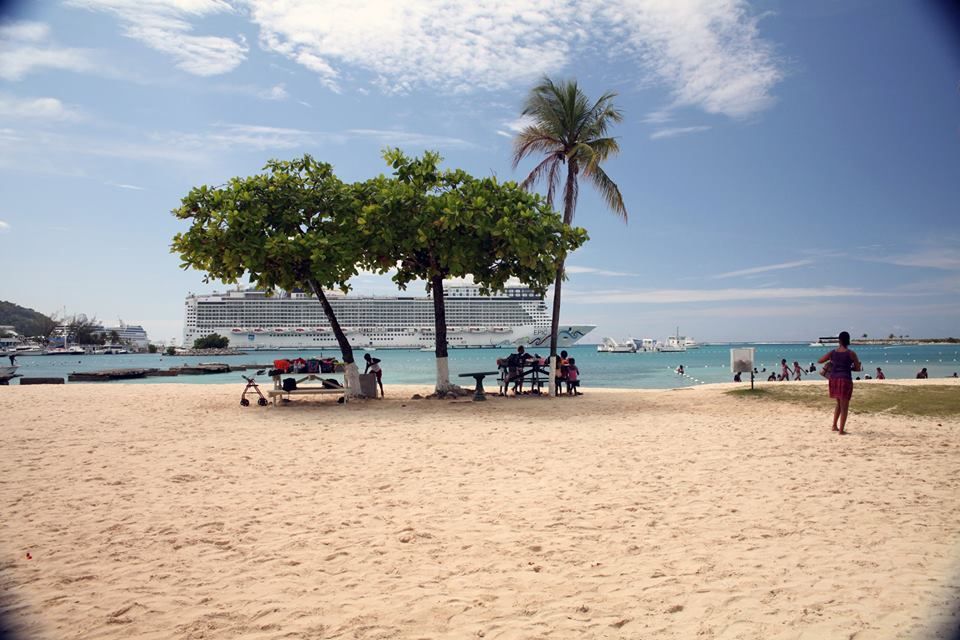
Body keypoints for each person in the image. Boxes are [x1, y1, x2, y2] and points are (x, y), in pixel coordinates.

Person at [817, 331, 862, 435]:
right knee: (844, 406)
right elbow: (858, 368)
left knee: (838, 403)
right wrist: (849, 367)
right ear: (848, 340)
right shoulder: (851, 353)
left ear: (839, 340)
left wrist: (832, 363)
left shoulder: (833, 352)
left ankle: (834, 426)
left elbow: (820, 361)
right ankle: (841, 430)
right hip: (845, 380)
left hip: (834, 379)